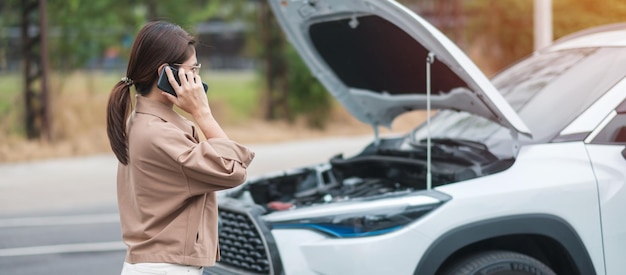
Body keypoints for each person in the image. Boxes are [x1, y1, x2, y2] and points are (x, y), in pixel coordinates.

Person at [106, 20, 255, 275]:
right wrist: (203, 113)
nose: (198, 79)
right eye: (193, 69)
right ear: (167, 74)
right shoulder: (159, 133)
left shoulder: (145, 122)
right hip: (166, 268)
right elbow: (232, 170)